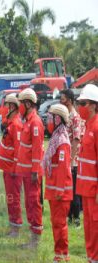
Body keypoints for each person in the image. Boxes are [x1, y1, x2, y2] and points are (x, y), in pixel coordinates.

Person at [43, 104, 72, 262]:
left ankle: (63, 255)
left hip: (60, 192)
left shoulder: (62, 143)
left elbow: (62, 169)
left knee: (60, 224)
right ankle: (59, 254)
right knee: (55, 223)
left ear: (58, 119)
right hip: (54, 190)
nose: (48, 121)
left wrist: (60, 190)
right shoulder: (55, 139)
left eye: (50, 118)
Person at [16, 88, 44, 248]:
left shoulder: (35, 122)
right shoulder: (28, 121)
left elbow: (36, 149)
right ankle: (32, 236)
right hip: (26, 172)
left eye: (21, 103)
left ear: (27, 103)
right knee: (29, 203)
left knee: (34, 203)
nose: (19, 106)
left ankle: (36, 239)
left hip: (32, 173)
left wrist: (34, 171)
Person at [75, 84, 98, 263]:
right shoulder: (87, 126)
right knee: (89, 227)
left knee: (96, 227)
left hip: (94, 190)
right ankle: (91, 258)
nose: (79, 107)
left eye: (83, 103)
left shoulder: (97, 127)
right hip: (85, 188)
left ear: (93, 105)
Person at [0, 93, 23, 237]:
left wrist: (15, 168)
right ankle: (13, 226)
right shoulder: (11, 124)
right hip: (8, 168)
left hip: (13, 170)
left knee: (14, 198)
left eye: (5, 105)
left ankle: (16, 228)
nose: (3, 108)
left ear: (12, 107)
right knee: (10, 198)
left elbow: (19, 149)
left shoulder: (17, 125)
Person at [60, 89, 83, 227]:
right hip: (66, 158)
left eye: (62, 98)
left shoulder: (75, 117)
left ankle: (76, 218)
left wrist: (71, 160)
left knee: (73, 190)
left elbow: (76, 139)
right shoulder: (66, 115)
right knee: (66, 189)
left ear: (68, 100)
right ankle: (68, 216)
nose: (60, 101)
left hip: (72, 160)